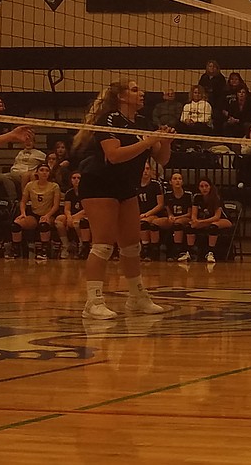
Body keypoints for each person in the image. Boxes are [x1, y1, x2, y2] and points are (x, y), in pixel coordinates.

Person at [73, 79, 172, 320]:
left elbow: (163, 160)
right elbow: (114, 155)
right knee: (104, 244)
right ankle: (93, 301)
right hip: (99, 183)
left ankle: (136, 297)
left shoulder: (142, 123)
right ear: (121, 96)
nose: (142, 93)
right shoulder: (108, 120)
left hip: (126, 186)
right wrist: (147, 142)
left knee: (131, 246)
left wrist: (164, 142)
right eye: (135, 89)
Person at [12, 163, 61, 260]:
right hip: (34, 214)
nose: (44, 173)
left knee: (43, 224)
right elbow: (23, 201)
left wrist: (48, 215)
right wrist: (23, 213)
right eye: (42, 170)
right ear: (37, 172)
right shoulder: (30, 185)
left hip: (48, 214)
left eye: (46, 171)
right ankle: (16, 250)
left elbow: (56, 205)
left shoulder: (54, 186)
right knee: (16, 224)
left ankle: (44, 251)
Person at [187, 177, 232, 264]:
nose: (204, 188)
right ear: (199, 188)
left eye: (206, 186)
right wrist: (195, 221)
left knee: (213, 226)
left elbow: (217, 217)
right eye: (201, 186)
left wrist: (201, 222)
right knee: (190, 225)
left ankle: (211, 253)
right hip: (206, 220)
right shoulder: (197, 197)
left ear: (210, 187)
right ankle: (190, 252)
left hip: (223, 220)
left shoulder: (216, 197)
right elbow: (193, 214)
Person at [57, 171, 91, 260]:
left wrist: (73, 217)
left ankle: (82, 245)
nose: (76, 180)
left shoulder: (87, 191)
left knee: (77, 222)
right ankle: (65, 246)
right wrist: (68, 217)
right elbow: (67, 209)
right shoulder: (69, 193)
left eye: (78, 178)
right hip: (72, 215)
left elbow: (87, 209)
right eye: (74, 178)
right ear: (71, 180)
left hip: (85, 215)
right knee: (59, 220)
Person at [135, 163, 165, 262]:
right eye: (143, 169)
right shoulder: (135, 185)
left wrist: (148, 213)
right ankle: (144, 247)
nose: (145, 171)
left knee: (145, 223)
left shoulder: (155, 184)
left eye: (147, 169)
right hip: (140, 214)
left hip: (154, 214)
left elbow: (160, 204)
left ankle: (149, 249)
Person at [165, 173, 194, 262]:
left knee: (177, 224)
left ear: (182, 182)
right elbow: (168, 210)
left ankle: (177, 252)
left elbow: (189, 213)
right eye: (175, 179)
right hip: (173, 218)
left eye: (179, 179)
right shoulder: (167, 195)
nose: (177, 181)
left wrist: (177, 218)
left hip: (185, 217)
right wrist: (170, 216)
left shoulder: (188, 195)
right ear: (170, 182)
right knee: (155, 224)